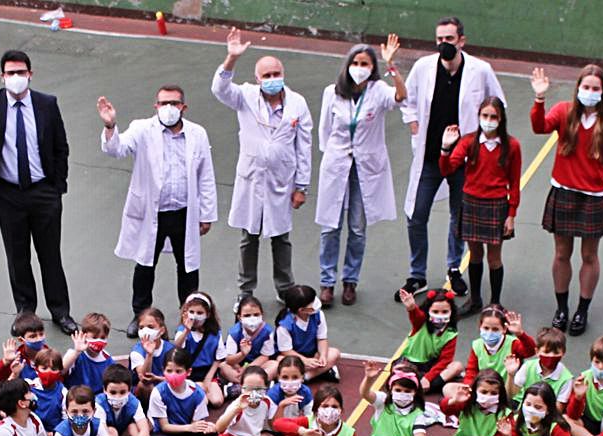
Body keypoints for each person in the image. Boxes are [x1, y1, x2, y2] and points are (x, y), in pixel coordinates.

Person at [0, 51, 76, 333]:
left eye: (21, 72)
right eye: (10, 73)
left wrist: (57, 187)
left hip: (44, 192)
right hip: (8, 194)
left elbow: (61, 146)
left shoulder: (47, 104)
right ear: (2, 77)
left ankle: (60, 312)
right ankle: (26, 312)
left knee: (50, 254)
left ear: (30, 74)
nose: (16, 78)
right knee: (17, 256)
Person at [397, 17, 505, 306]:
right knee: (416, 214)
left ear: (462, 41)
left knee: (460, 218)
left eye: (450, 39)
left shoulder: (480, 71)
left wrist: (483, 137)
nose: (444, 44)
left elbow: (499, 105)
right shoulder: (423, 67)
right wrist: (414, 126)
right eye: (440, 39)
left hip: (466, 162)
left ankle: (454, 268)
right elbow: (407, 99)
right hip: (430, 157)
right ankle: (416, 273)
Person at [97, 87, 217, 335]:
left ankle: (190, 314)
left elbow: (205, 175)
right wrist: (110, 126)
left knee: (187, 267)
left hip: (184, 212)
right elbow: (116, 149)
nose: (168, 108)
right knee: (145, 265)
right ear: (156, 106)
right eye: (163, 103)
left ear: (184, 106)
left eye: (174, 103)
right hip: (153, 213)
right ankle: (140, 314)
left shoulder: (197, 134)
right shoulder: (142, 129)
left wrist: (207, 214)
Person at [213, 28, 313, 302]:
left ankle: (285, 288)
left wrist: (301, 186)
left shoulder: (298, 104)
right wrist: (231, 58)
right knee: (250, 237)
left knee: (281, 237)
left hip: (283, 181)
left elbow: (304, 147)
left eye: (276, 74)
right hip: (252, 180)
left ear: (283, 75)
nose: (272, 79)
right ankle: (245, 291)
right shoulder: (245, 96)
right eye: (266, 76)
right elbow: (220, 89)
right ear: (257, 79)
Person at [529, 65, 603, 336]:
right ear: (577, 88)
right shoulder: (562, 111)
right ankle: (562, 308)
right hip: (563, 192)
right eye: (586, 87)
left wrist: (595, 179)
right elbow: (539, 127)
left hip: (594, 197)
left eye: (596, 89)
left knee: (589, 255)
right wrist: (539, 98)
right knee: (561, 253)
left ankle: (582, 309)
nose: (590, 93)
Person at [315, 37, 408, 306]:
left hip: (366, 167)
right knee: (330, 226)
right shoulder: (331, 92)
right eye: (355, 63)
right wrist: (334, 154)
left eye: (365, 63)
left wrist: (391, 65)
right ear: (347, 66)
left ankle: (350, 281)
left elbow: (401, 97)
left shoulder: (379, 90)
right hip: (337, 164)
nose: (359, 67)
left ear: (372, 67)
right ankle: (327, 283)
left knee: (357, 227)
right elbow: (325, 130)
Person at [437, 95, 521, 312]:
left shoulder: (512, 146)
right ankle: (475, 300)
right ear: (478, 116)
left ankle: (495, 302)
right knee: (474, 254)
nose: (489, 120)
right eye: (485, 115)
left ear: (501, 119)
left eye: (493, 116)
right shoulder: (467, 142)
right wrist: (445, 149)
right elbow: (447, 169)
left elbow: (514, 182)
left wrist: (511, 215)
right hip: (472, 203)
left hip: (496, 206)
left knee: (494, 257)